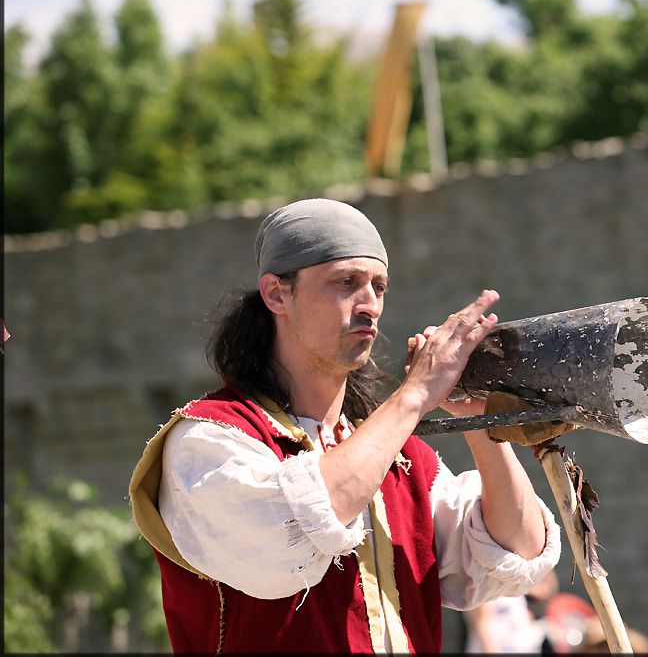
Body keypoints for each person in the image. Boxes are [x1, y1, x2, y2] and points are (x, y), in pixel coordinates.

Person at [128, 198, 563, 653]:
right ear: (277, 294)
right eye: (346, 282)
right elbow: (287, 535)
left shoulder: (404, 457)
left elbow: (520, 547)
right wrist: (414, 395)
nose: (370, 304)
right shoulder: (210, 438)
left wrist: (479, 422)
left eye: (379, 286)